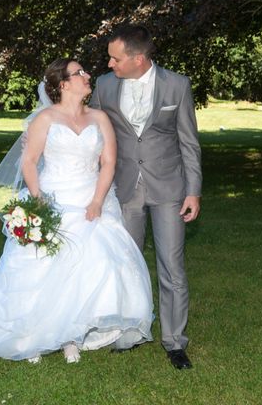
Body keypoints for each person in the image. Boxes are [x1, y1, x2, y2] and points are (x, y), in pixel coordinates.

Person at [0, 58, 153, 363]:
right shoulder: (45, 119)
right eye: (79, 73)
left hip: (92, 199)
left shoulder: (100, 118)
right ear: (63, 84)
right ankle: (31, 336)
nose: (87, 76)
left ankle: (72, 335)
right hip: (52, 198)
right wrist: (38, 200)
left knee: (93, 266)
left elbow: (109, 163)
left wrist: (97, 201)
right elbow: (29, 162)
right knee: (42, 269)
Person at [89, 24, 202, 370]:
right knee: (126, 265)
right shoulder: (104, 86)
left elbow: (188, 142)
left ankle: (174, 342)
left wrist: (193, 191)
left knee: (172, 268)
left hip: (169, 189)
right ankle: (130, 331)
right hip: (124, 188)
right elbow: (93, 131)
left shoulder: (177, 85)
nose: (109, 64)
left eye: (115, 58)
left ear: (138, 59)